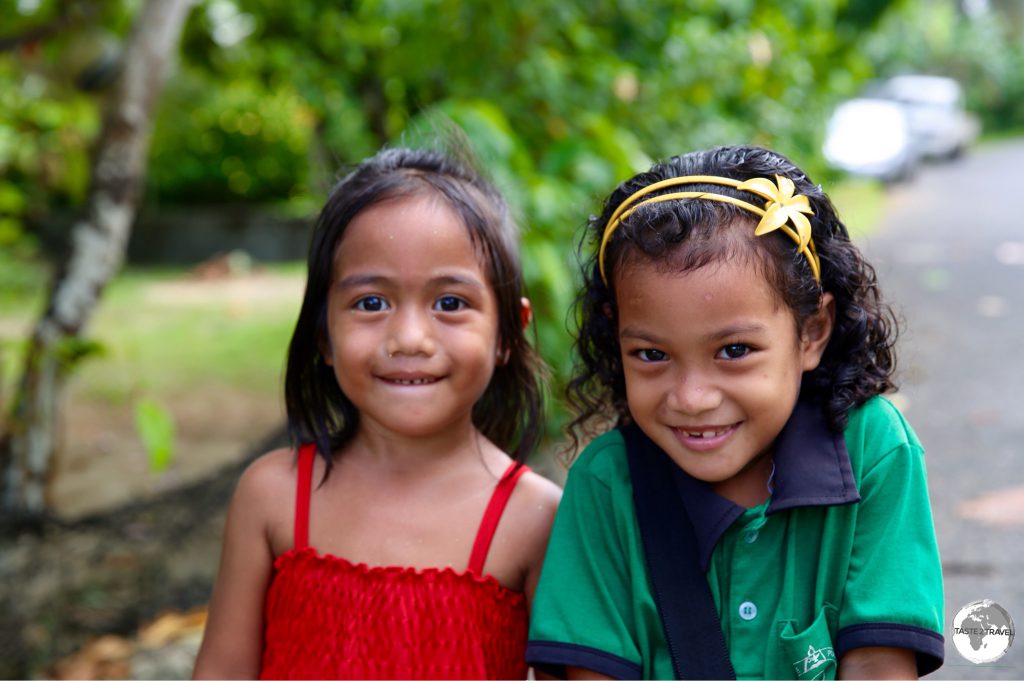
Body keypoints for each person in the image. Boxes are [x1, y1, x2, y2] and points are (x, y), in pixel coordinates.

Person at [526, 145, 943, 679]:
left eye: (734, 351)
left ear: (811, 331)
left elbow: (879, 665)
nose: (692, 398)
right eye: (652, 355)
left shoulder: (873, 449)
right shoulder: (608, 484)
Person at [192, 146, 562, 680]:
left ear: (507, 331)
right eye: (371, 303)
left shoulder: (535, 519)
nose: (409, 338)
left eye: (450, 303)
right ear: (323, 333)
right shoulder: (271, 497)